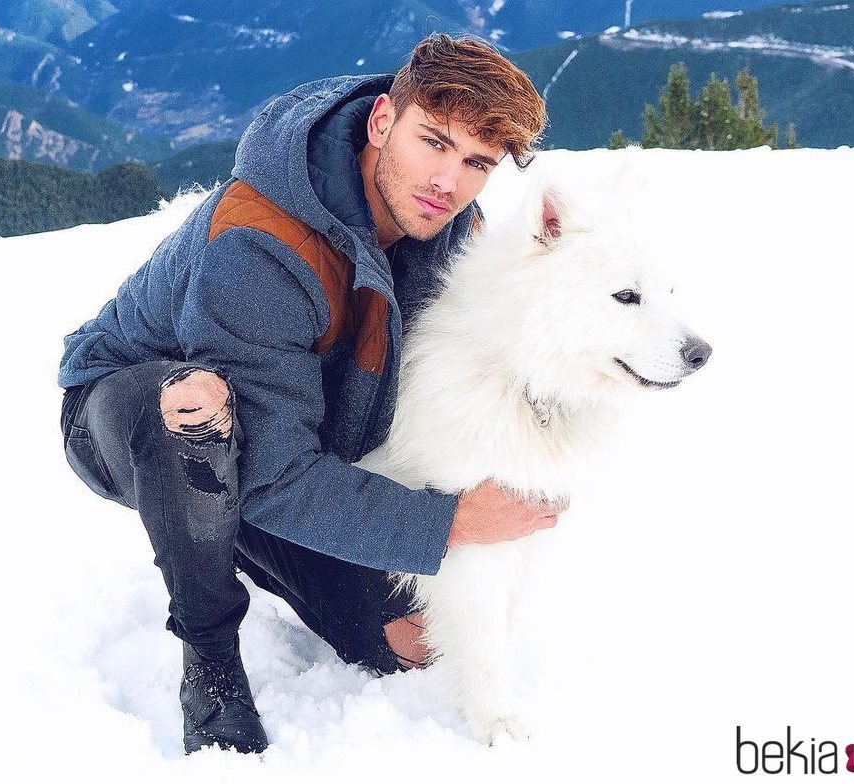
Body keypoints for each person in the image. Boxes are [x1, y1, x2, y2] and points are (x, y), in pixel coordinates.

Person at [58, 33, 560, 755]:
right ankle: (210, 659)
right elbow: (274, 471)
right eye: (434, 142)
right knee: (196, 409)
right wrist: (448, 522)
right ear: (383, 121)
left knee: (414, 640)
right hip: (128, 408)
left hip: (282, 436)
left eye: (475, 163)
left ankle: (219, 527)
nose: (447, 181)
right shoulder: (261, 240)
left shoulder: (449, 231)